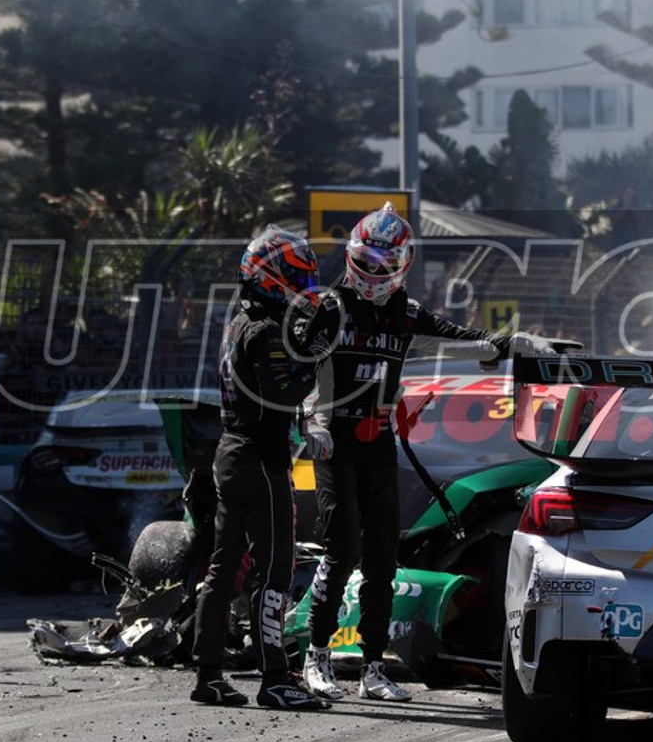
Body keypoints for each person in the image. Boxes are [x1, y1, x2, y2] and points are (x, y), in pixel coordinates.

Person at [299, 202, 511, 703]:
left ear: (400, 266)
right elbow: (303, 369)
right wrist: (314, 418)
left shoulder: (405, 311)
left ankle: (373, 666)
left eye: (383, 266)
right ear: (352, 257)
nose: (373, 274)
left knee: (381, 560)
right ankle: (316, 655)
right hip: (335, 443)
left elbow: (464, 337)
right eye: (366, 263)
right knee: (342, 549)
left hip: (379, 445)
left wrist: (507, 343)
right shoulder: (329, 307)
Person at [190, 225, 331, 711]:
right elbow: (285, 393)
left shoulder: (239, 322)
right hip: (259, 458)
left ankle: (208, 675)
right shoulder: (265, 329)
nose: (305, 284)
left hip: (233, 453)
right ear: (271, 276)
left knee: (223, 567)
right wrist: (315, 355)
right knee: (273, 569)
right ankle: (275, 677)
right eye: (296, 275)